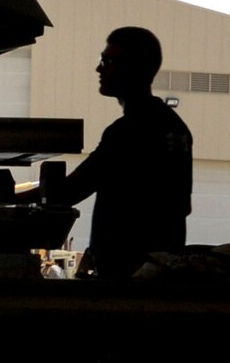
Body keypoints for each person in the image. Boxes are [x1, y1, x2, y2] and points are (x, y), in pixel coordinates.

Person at [49, 26, 192, 279]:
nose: (99, 69)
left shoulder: (130, 131)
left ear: (135, 68)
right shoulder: (175, 127)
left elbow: (69, 191)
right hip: (158, 274)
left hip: (126, 277)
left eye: (107, 61)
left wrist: (9, 198)